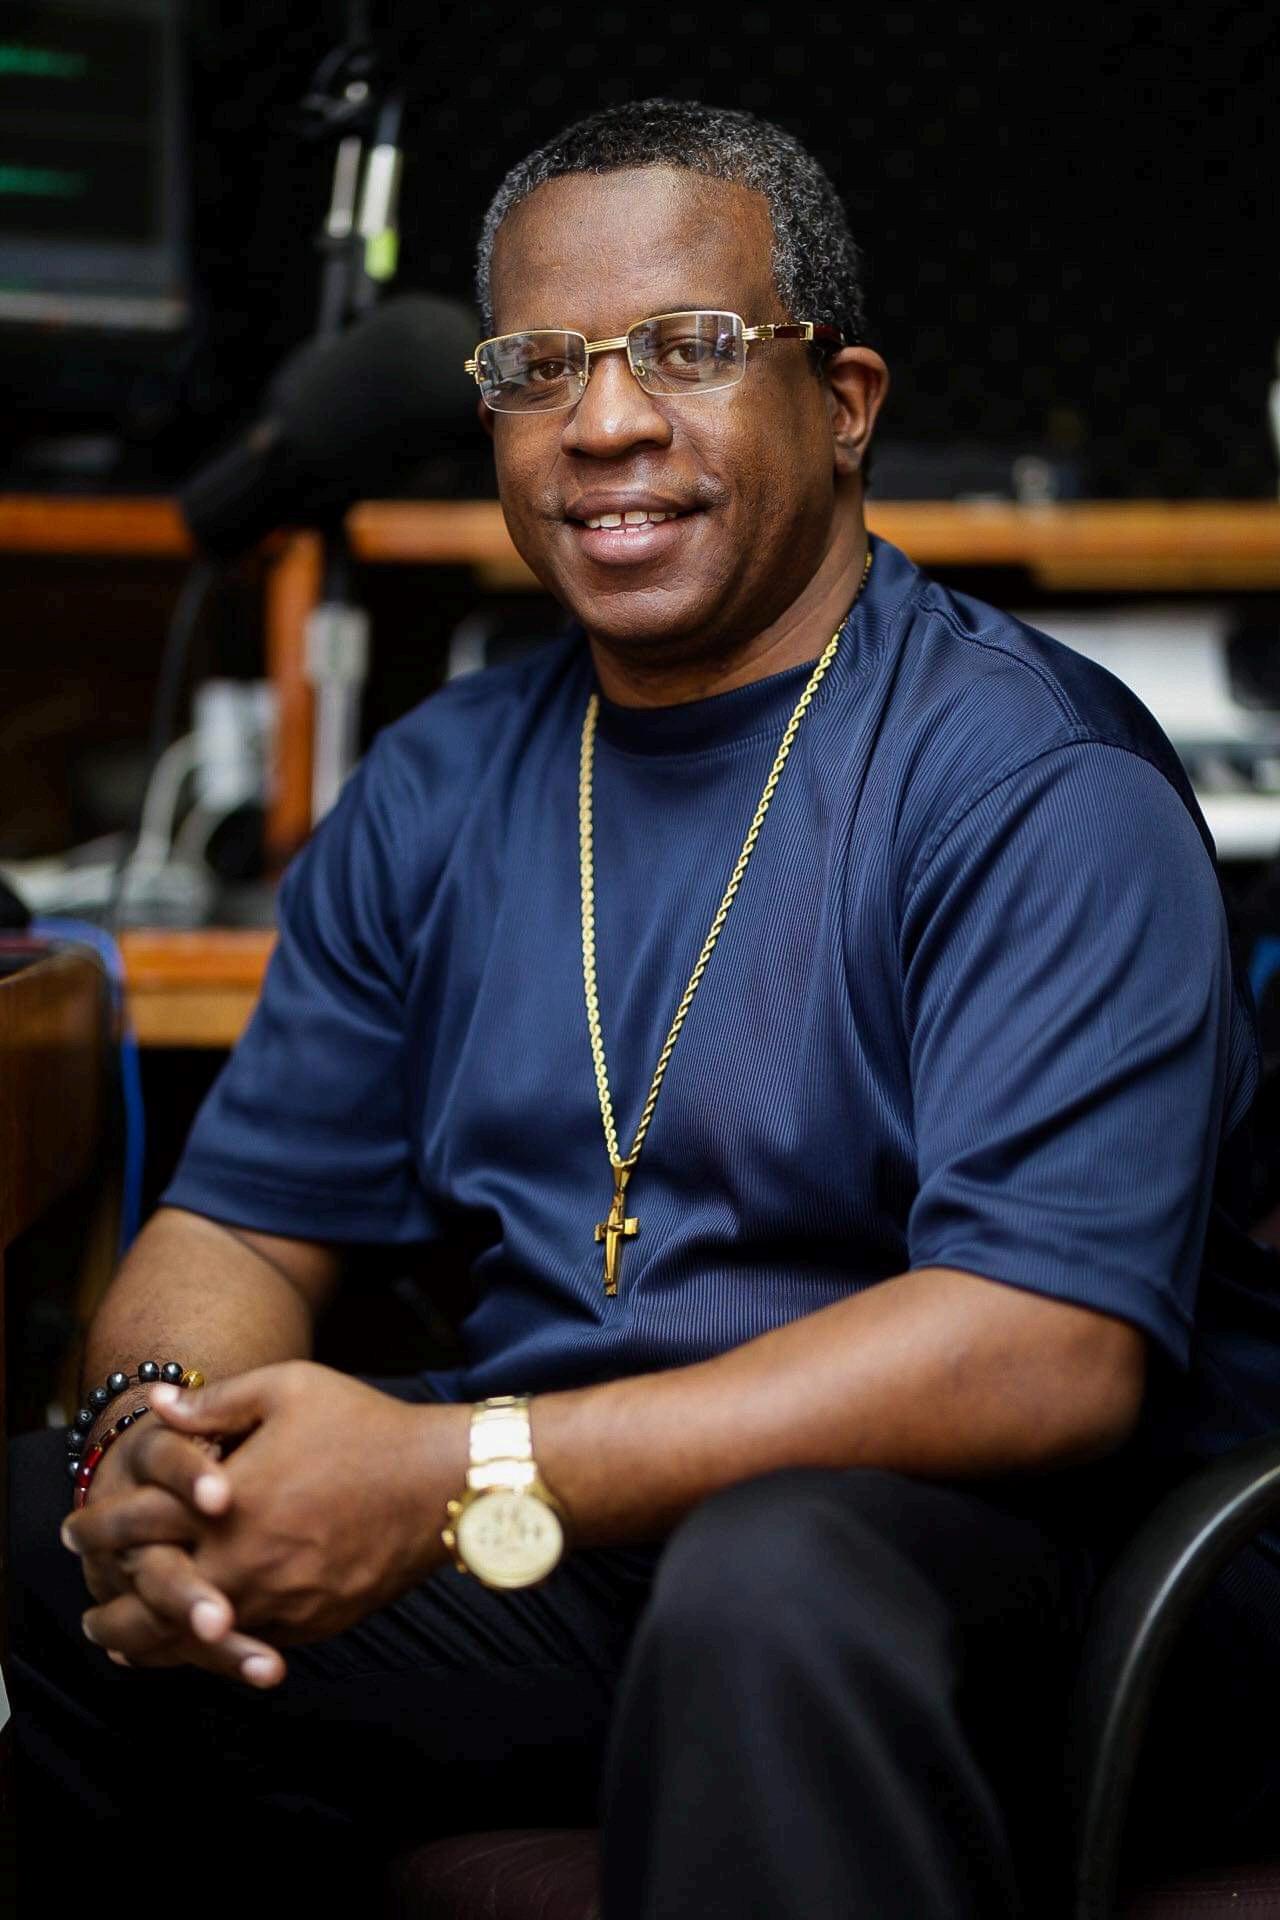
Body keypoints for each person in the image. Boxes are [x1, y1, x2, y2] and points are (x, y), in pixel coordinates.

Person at [12, 98, 1280, 1919]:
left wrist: (452, 1467)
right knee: (44, 1550)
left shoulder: (1030, 780)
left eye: (688, 348)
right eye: (540, 369)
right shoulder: (437, 785)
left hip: (1011, 1567)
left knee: (772, 1582)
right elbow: (240, 1223)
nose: (604, 422)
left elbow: (1044, 1352)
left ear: (844, 402)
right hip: (580, 1542)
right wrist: (153, 1443)